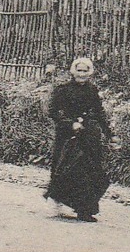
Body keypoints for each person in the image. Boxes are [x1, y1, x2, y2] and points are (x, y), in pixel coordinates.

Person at [44, 57, 113, 222]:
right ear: (73, 72)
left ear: (89, 73)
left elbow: (99, 112)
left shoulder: (92, 90)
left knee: (89, 171)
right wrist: (70, 124)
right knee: (65, 168)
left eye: (85, 71)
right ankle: (57, 201)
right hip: (67, 135)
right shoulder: (63, 90)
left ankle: (85, 210)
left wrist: (109, 133)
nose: (82, 74)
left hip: (88, 136)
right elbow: (53, 111)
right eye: (79, 70)